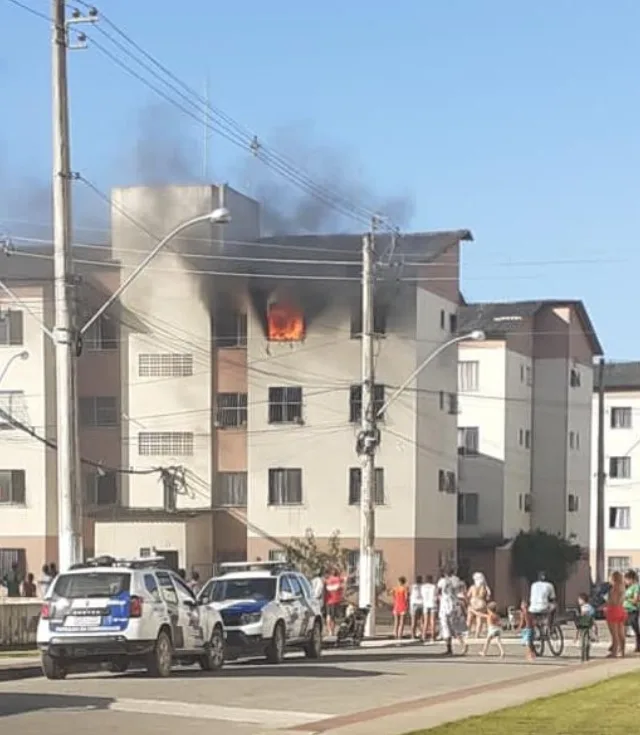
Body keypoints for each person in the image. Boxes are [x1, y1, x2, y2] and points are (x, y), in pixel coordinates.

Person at [437, 567, 468, 656]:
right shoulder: (456, 580)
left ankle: (449, 648)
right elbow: (459, 590)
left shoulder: (442, 581)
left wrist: (439, 597)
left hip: (445, 605)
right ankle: (463, 643)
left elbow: (438, 592)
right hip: (454, 604)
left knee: (445, 626)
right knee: (455, 626)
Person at [606, 570, 627, 658]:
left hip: (613, 610)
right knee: (621, 632)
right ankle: (622, 651)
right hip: (621, 610)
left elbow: (614, 601)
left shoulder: (614, 588)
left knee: (614, 633)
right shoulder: (622, 587)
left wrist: (607, 601)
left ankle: (614, 652)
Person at [467, 572, 491, 637]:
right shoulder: (485, 587)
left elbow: (468, 595)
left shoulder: (472, 587)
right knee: (479, 619)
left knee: (469, 618)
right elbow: (488, 596)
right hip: (481, 602)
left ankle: (467, 633)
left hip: (473, 602)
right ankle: (477, 634)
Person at [623, 569, 640, 654]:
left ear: (631, 579)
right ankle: (620, 646)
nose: (625, 581)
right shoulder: (627, 588)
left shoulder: (636, 586)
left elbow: (636, 600)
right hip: (624, 610)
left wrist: (627, 598)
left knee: (635, 629)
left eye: (626, 579)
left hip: (633, 610)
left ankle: (638, 646)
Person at [324, 567, 344, 636]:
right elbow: (344, 581)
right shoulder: (338, 579)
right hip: (335, 601)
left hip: (328, 600)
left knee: (328, 616)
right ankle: (332, 631)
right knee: (333, 617)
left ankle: (329, 630)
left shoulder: (328, 580)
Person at [391, 576, 409, 641]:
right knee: (402, 622)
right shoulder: (405, 588)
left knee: (396, 622)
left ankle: (395, 634)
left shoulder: (395, 588)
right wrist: (407, 605)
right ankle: (400, 635)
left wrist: (395, 600)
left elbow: (392, 594)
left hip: (396, 605)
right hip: (403, 605)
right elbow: (406, 598)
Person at [421, 574, 437, 642]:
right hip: (432, 603)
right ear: (431, 580)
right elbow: (436, 595)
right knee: (432, 621)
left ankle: (423, 636)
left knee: (426, 621)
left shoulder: (423, 587)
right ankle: (433, 637)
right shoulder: (433, 586)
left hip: (425, 604)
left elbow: (422, 595)